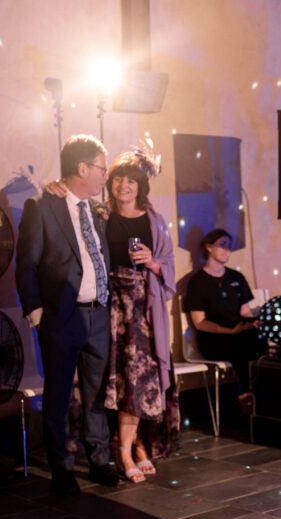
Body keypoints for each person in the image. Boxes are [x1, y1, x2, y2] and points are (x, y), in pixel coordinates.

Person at [16, 134, 118, 494]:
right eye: (103, 169)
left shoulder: (97, 210)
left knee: (96, 395)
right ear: (83, 167)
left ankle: (100, 458)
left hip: (98, 315)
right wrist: (37, 314)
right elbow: (26, 265)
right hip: (61, 317)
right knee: (58, 396)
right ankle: (61, 466)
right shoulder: (42, 207)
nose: (105, 176)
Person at [101, 144, 178, 482]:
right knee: (116, 382)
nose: (124, 186)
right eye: (118, 179)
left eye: (131, 181)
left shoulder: (155, 221)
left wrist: (153, 263)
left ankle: (136, 447)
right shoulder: (100, 216)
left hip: (143, 311)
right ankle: (125, 447)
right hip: (109, 308)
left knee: (141, 381)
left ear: (140, 186)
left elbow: (169, 267)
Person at [183, 228, 267, 410]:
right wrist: (230, 331)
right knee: (239, 345)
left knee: (259, 342)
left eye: (229, 247)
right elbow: (200, 322)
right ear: (208, 247)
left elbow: (245, 311)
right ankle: (244, 394)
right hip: (213, 336)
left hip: (238, 331)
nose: (227, 250)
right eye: (222, 245)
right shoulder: (198, 281)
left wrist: (252, 322)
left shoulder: (235, 277)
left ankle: (262, 393)